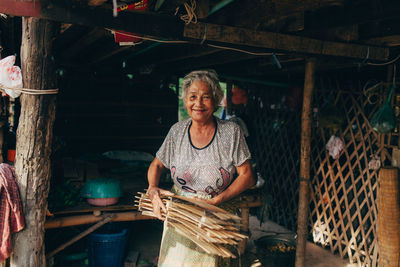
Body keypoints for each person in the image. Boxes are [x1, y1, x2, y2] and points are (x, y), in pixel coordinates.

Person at [147, 69, 255, 266]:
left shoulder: (230, 132)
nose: (198, 103)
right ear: (185, 100)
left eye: (206, 97)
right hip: (180, 214)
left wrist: (217, 200)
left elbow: (247, 176)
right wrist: (153, 189)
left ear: (215, 101)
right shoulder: (177, 131)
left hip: (215, 216)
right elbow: (156, 165)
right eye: (193, 97)